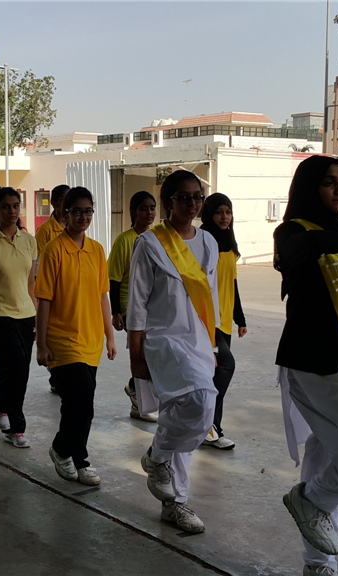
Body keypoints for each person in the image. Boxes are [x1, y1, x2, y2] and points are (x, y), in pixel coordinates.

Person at [273, 156, 338, 576]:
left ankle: (318, 565)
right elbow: (312, 248)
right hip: (312, 366)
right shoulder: (292, 232)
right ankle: (311, 500)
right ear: (308, 189)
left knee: (324, 459)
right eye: (328, 183)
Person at [126, 170, 219, 534]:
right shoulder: (149, 244)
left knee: (186, 416)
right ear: (167, 202)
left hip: (198, 340)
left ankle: (173, 499)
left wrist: (213, 344)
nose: (193, 204)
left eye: (198, 197)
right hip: (163, 340)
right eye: (184, 197)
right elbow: (137, 303)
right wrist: (136, 354)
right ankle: (159, 459)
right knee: (200, 401)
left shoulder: (208, 242)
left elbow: (209, 298)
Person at [36, 187, 117, 486]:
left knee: (85, 405)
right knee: (79, 399)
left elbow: (102, 296)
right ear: (64, 213)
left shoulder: (96, 250)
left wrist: (109, 336)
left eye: (88, 211)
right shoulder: (54, 250)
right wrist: (41, 344)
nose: (83, 217)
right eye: (77, 211)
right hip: (62, 339)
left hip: (91, 339)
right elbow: (44, 299)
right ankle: (62, 450)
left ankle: (78, 458)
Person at [0, 187, 38, 448]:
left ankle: (10, 419)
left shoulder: (29, 241)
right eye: (5, 207)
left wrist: (37, 315)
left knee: (20, 371)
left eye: (15, 206)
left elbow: (31, 283)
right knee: (16, 362)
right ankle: (8, 412)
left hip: (26, 315)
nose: (11, 211)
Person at [199, 193, 248, 450]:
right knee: (225, 366)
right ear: (209, 214)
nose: (224, 217)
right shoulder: (201, 242)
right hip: (208, 321)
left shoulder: (230, 246)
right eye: (219, 212)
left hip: (225, 321)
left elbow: (232, 284)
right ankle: (207, 424)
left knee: (216, 374)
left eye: (228, 212)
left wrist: (240, 318)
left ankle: (210, 428)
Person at [108, 190, 158, 423]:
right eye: (143, 208)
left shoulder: (158, 238)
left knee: (154, 353)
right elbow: (114, 279)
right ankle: (138, 398)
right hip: (130, 307)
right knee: (143, 353)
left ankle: (135, 390)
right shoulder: (124, 241)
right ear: (133, 212)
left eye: (152, 208)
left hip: (153, 307)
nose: (149, 213)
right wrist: (116, 312)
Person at [35, 184, 69, 256]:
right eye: (64, 199)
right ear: (54, 204)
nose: (68, 203)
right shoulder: (44, 230)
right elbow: (38, 259)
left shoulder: (75, 227)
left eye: (70, 199)